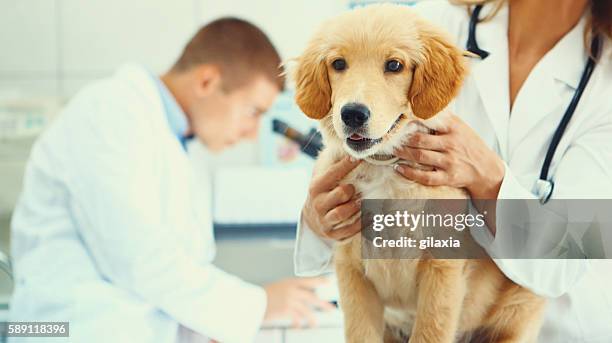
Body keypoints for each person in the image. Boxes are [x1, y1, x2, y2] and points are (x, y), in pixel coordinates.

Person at [296, 0, 612, 342]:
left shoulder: (605, 81)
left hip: (554, 329)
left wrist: (489, 179)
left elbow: (572, 251)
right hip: (404, 325)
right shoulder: (431, 22)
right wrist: (320, 221)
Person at [10, 18, 331, 343]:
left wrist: (207, 328)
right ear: (207, 81)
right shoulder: (110, 112)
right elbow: (137, 258)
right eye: (253, 112)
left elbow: (176, 278)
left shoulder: (180, 145)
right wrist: (259, 305)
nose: (251, 134)